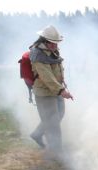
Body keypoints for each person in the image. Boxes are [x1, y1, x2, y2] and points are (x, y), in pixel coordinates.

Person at [29, 25, 73, 157]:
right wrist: (61, 91)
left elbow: (57, 68)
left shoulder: (52, 50)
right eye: (53, 43)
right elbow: (46, 76)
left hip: (56, 89)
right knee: (53, 122)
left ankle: (37, 134)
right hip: (45, 93)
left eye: (56, 43)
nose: (55, 45)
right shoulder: (37, 54)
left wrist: (61, 83)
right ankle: (56, 152)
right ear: (45, 41)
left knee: (59, 115)